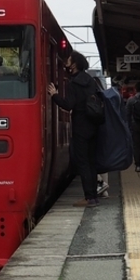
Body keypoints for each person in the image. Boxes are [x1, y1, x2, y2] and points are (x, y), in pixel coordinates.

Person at [47, 51, 100, 206]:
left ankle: (89, 197)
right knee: (91, 162)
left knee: (82, 162)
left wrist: (54, 95)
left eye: (69, 59)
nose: (66, 61)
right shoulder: (90, 80)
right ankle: (94, 196)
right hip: (93, 124)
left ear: (74, 64)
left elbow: (68, 105)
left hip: (81, 126)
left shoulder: (74, 83)